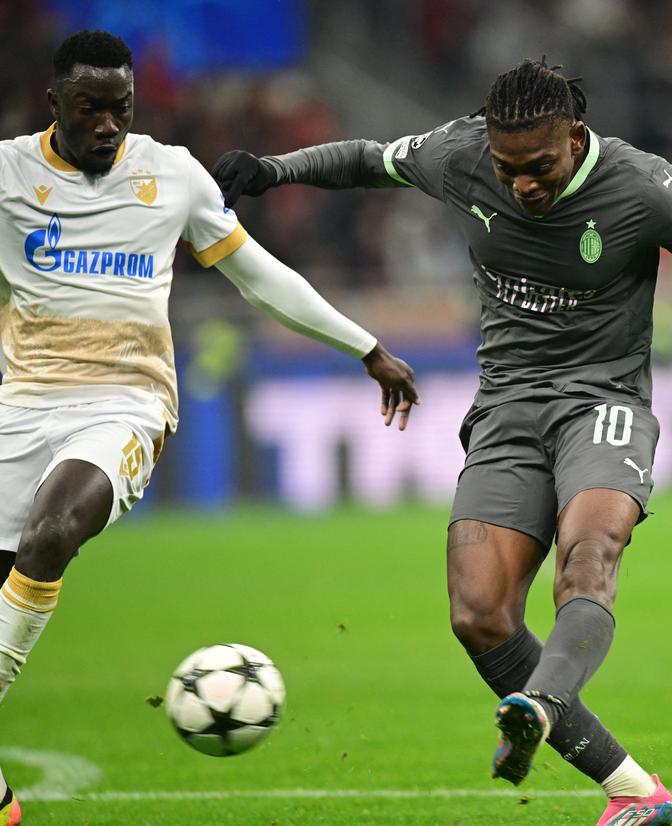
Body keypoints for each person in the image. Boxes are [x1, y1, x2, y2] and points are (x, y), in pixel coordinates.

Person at [213, 58, 672, 824]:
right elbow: (366, 159)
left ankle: (542, 704)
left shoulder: (645, 188)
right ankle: (633, 791)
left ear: (577, 137)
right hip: (506, 410)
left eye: (541, 166)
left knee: (587, 559)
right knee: (478, 614)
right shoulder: (459, 155)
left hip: (603, 403)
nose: (523, 184)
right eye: (509, 169)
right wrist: (268, 170)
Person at [0, 31, 420, 823]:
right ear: (52, 103)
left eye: (119, 109)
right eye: (88, 109)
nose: (106, 127)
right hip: (19, 410)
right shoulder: (8, 175)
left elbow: (259, 276)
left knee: (52, 533)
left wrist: (366, 346)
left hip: (125, 404)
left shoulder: (171, 173)